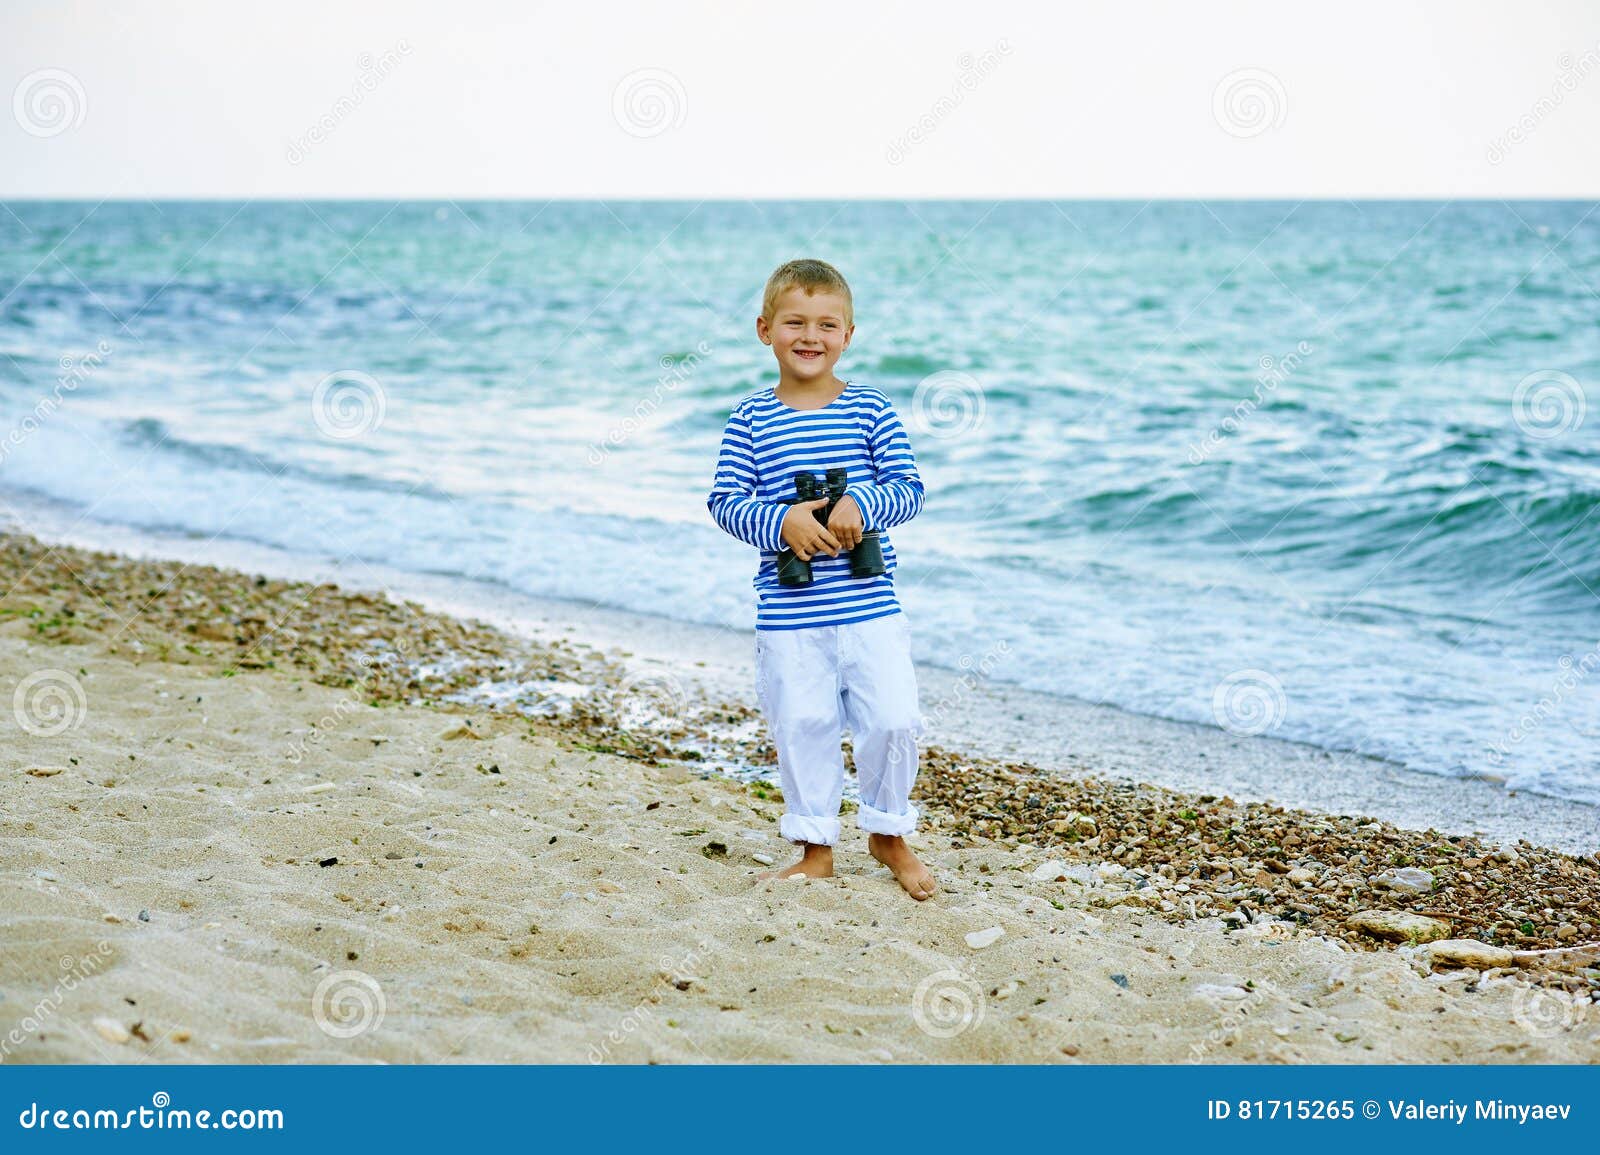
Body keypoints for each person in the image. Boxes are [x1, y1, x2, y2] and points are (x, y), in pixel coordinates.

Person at [705, 258, 936, 900]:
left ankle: (888, 833)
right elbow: (725, 502)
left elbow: (910, 490)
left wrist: (862, 503)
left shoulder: (870, 409)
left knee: (893, 717)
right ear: (764, 330)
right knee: (801, 723)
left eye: (827, 324)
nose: (811, 336)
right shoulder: (750, 418)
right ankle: (815, 848)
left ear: (849, 335)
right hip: (790, 611)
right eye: (795, 322)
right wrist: (783, 524)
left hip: (870, 606)